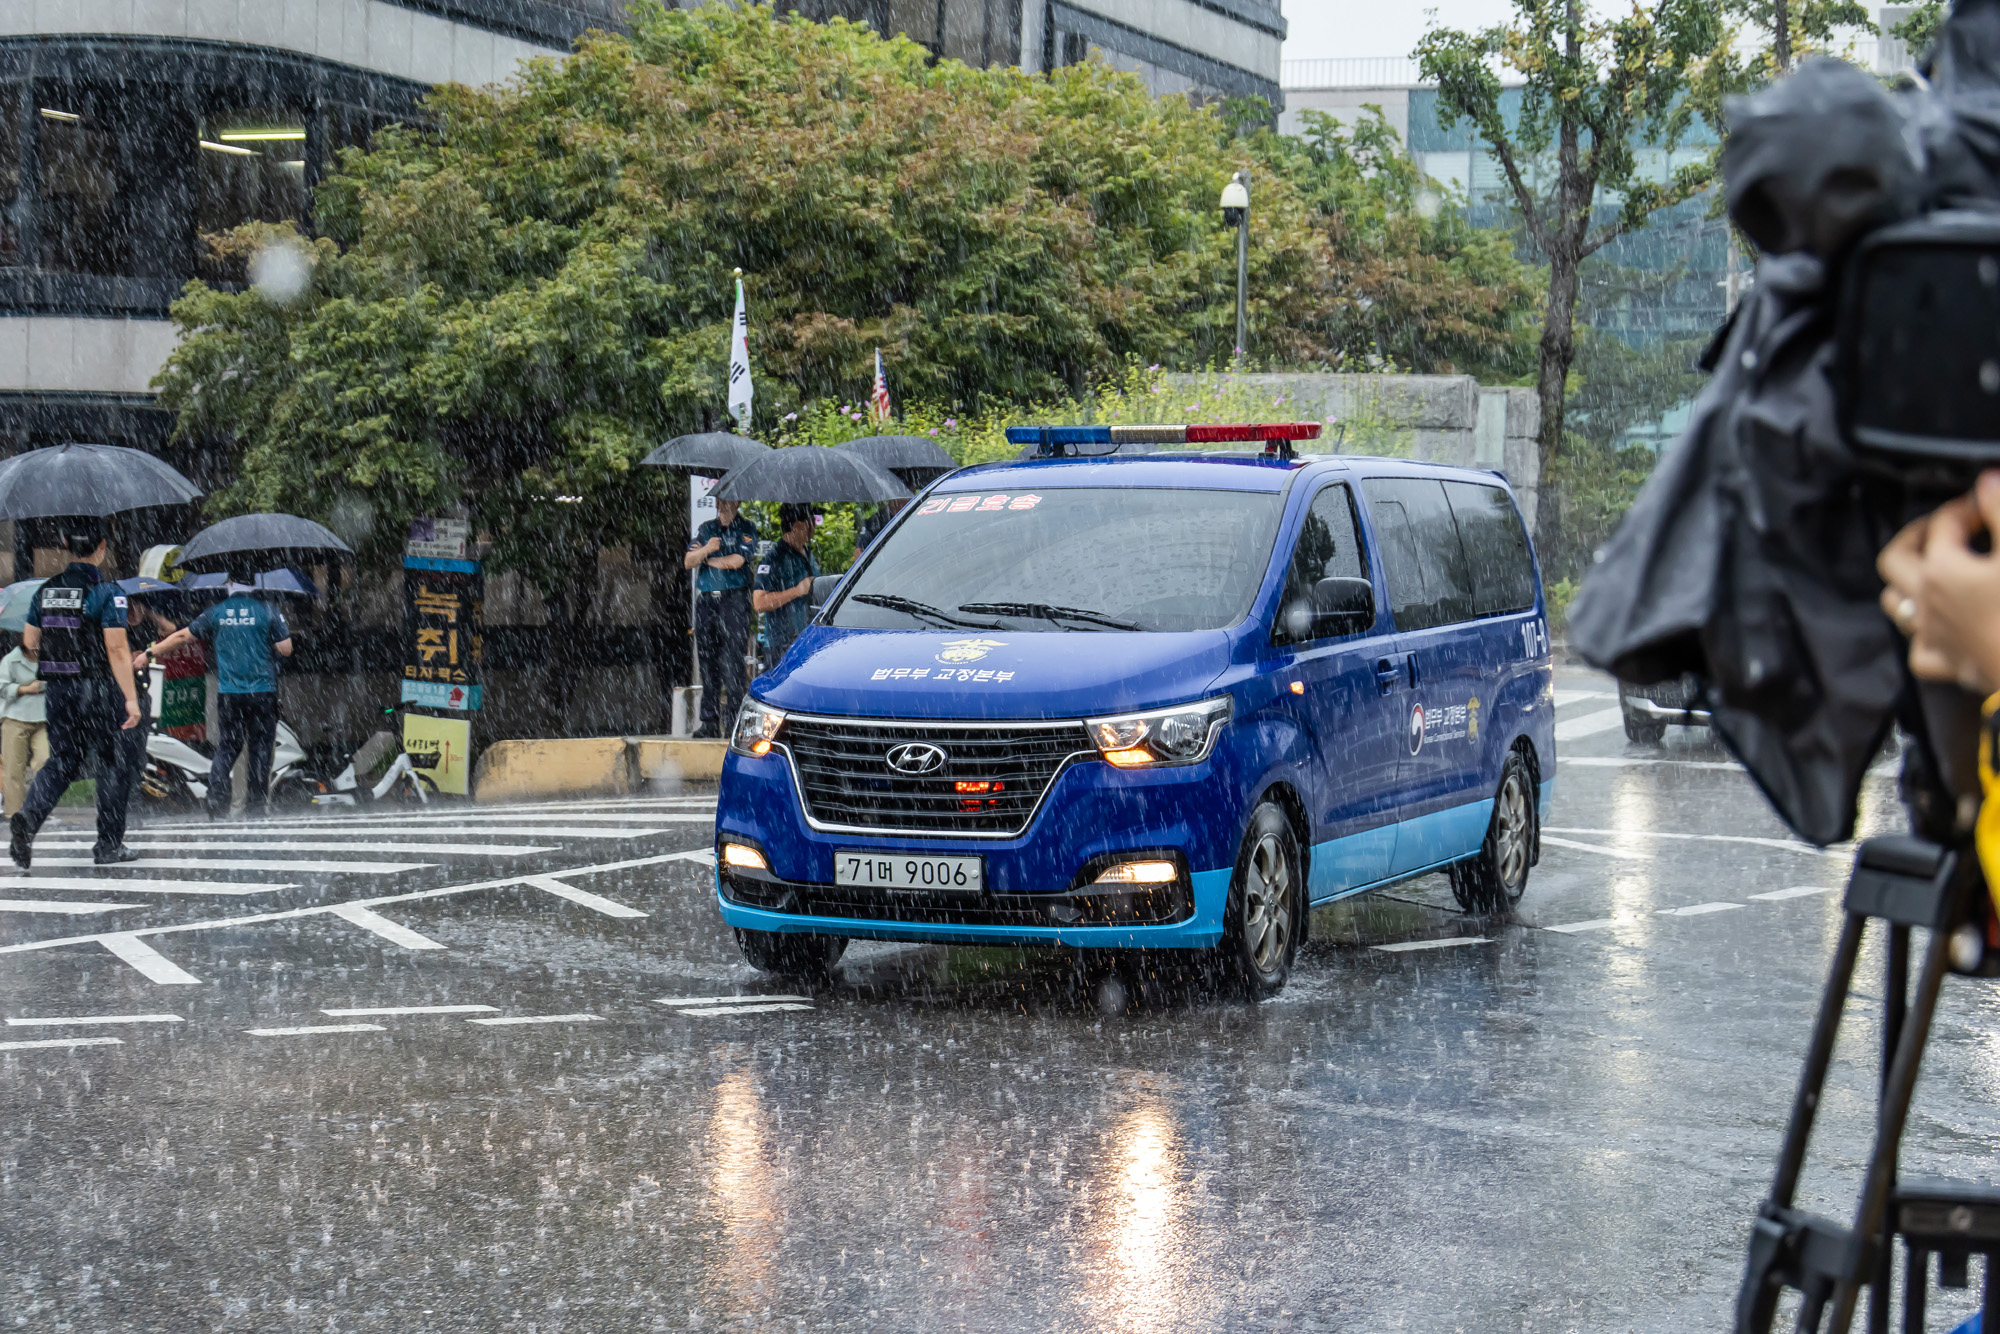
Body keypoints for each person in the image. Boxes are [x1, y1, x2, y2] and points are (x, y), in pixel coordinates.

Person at [11, 518, 143, 868]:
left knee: (61, 761)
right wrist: (130, 698)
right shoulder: (107, 592)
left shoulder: (46, 590)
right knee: (113, 762)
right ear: (102, 547)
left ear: (66, 545)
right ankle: (108, 845)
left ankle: (28, 819)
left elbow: (30, 642)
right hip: (98, 689)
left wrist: (61, 652)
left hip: (59, 689)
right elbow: (117, 649)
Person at [151, 571, 292, 819]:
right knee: (260, 748)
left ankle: (215, 796)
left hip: (230, 692)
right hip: (262, 691)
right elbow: (286, 648)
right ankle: (256, 805)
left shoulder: (216, 612)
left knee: (228, 746)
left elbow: (183, 635)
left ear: (229, 583)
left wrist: (150, 653)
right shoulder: (268, 610)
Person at [684, 498, 760, 738]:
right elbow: (688, 561)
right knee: (707, 662)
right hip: (707, 600)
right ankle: (709, 721)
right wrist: (707, 549)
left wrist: (706, 559)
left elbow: (737, 561)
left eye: (729, 499)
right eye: (721, 499)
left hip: (734, 600)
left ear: (738, 502)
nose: (724, 504)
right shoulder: (707, 529)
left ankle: (733, 722)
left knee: (732, 662)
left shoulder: (746, 528)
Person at [116, 593, 176, 818]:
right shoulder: (118, 626)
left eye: (140, 605)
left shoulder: (147, 625)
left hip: (143, 694)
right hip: (123, 695)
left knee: (139, 753)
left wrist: (150, 613)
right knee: (123, 752)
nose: (136, 609)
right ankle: (124, 802)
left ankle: (134, 801)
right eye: (133, 605)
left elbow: (170, 629)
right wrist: (129, 657)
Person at [754, 503, 823, 668]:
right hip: (782, 645)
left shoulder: (808, 553)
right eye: (811, 521)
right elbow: (759, 603)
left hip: (808, 639)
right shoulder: (774, 558)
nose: (814, 527)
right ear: (798, 525)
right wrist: (797, 591)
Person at [0, 636, 47, 819]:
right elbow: (2, 687)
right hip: (14, 717)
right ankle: (14, 813)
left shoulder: (50, 658)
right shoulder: (11, 660)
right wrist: (25, 689)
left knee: (45, 761)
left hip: (43, 717)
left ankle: (40, 809)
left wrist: (43, 685)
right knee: (13, 768)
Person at [852, 498, 908, 563]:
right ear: (892, 499)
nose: (907, 500)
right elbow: (859, 553)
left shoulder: (915, 513)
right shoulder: (875, 522)